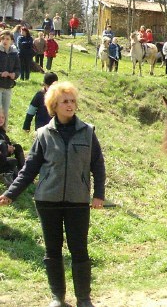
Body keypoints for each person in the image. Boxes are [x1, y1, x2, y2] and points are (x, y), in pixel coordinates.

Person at [0, 81, 106, 307]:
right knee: (52, 250)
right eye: (64, 101)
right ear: (53, 106)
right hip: (47, 200)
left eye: (72, 101)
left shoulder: (88, 131)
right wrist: (10, 193)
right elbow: (29, 169)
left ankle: (84, 298)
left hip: (78, 200)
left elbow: (98, 165)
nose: (70, 105)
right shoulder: (43, 134)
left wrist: (98, 194)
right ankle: (57, 297)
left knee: (79, 249)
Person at [0, 30, 20, 127]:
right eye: (3, 38)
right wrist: (1, 73)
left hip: (8, 86)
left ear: (12, 41)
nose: (5, 41)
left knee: (5, 111)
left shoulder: (14, 54)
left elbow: (18, 69)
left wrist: (14, 74)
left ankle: (3, 133)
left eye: (7, 39)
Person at [0, 109, 25, 186]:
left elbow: (7, 141)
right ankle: (4, 174)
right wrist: (4, 146)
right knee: (12, 161)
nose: (1, 120)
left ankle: (24, 172)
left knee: (17, 147)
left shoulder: (2, 131)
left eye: (2, 117)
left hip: (4, 156)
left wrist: (10, 146)